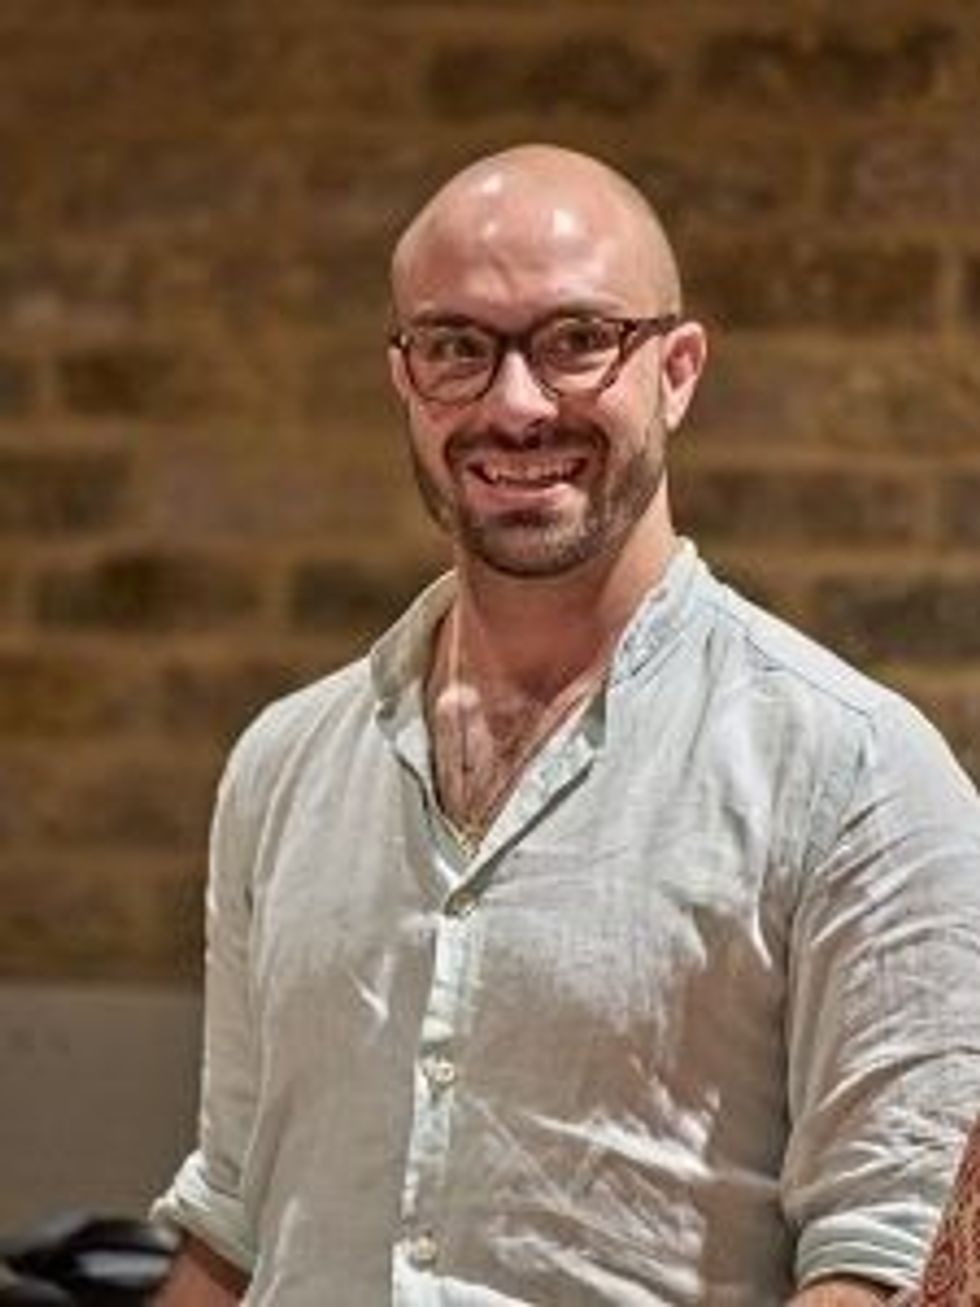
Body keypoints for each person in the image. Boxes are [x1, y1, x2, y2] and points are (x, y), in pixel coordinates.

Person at [151, 144, 980, 1305]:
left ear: (677, 370)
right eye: (455, 347)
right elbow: (236, 1219)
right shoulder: (282, 766)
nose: (515, 402)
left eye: (576, 339)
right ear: (402, 376)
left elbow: (888, 1260)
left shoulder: (855, 773)